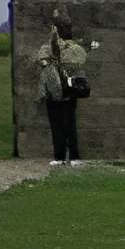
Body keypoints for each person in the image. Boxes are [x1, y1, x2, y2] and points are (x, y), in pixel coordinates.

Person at [35, 10, 97, 165]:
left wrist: (56, 57)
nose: (64, 29)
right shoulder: (48, 46)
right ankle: (59, 157)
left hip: (68, 90)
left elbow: (74, 61)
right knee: (56, 125)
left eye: (65, 26)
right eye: (61, 26)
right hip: (52, 90)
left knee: (69, 124)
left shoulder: (75, 48)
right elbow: (42, 59)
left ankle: (74, 156)